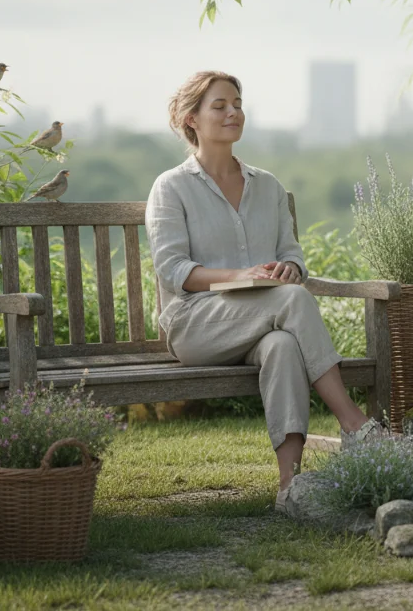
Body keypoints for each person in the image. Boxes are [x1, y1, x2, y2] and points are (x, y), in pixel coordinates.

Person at [145, 70, 385, 513]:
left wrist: (289, 267)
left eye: (237, 104)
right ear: (191, 118)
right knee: (292, 300)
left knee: (282, 346)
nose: (233, 112)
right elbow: (174, 269)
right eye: (220, 106)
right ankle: (354, 422)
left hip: (260, 324)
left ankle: (289, 488)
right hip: (196, 325)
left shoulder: (268, 186)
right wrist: (241, 274)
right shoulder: (171, 187)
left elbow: (292, 254)